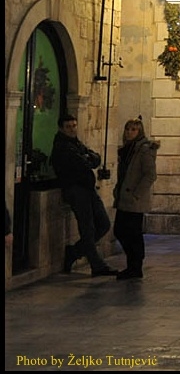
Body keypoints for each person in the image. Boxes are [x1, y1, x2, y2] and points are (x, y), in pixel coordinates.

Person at [50, 113, 117, 276]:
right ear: (61, 128)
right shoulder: (62, 146)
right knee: (87, 228)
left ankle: (74, 252)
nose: (72, 129)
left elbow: (95, 159)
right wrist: (88, 158)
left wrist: (89, 157)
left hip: (88, 189)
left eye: (74, 125)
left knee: (103, 224)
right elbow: (82, 163)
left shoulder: (76, 143)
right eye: (68, 127)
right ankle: (97, 265)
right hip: (76, 190)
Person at [113, 117, 159, 280]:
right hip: (124, 198)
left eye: (134, 129)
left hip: (133, 200)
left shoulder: (143, 150)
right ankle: (132, 264)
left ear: (140, 132)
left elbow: (150, 175)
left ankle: (135, 266)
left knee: (132, 233)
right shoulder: (128, 149)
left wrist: (136, 194)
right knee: (120, 230)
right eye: (128, 129)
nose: (130, 132)